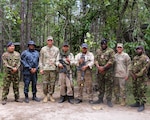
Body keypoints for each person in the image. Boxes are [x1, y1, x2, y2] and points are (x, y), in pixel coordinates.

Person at [93, 39, 115, 107]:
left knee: (109, 86)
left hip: (108, 71)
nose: (103, 45)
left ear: (107, 44)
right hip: (100, 71)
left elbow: (111, 61)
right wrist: (98, 67)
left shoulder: (111, 51)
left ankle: (109, 100)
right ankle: (100, 98)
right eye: (102, 44)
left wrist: (104, 68)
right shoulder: (98, 50)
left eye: (104, 44)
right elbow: (95, 59)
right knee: (100, 85)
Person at [39, 36, 59, 103]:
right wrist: (41, 68)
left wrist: (57, 66)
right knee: (45, 83)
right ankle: (45, 96)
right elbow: (40, 60)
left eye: (51, 40)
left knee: (52, 83)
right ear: (47, 41)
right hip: (45, 68)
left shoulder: (56, 49)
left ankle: (51, 95)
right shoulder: (43, 49)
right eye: (48, 40)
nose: (50, 42)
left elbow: (57, 59)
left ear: (53, 41)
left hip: (53, 68)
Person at [129, 46, 150, 112]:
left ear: (142, 50)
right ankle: (137, 102)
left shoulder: (145, 58)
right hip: (134, 77)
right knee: (135, 90)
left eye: (139, 49)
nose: (138, 50)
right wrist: (132, 74)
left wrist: (137, 75)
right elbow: (131, 66)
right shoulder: (135, 58)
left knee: (142, 91)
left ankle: (142, 104)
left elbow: (145, 68)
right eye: (137, 49)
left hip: (142, 78)